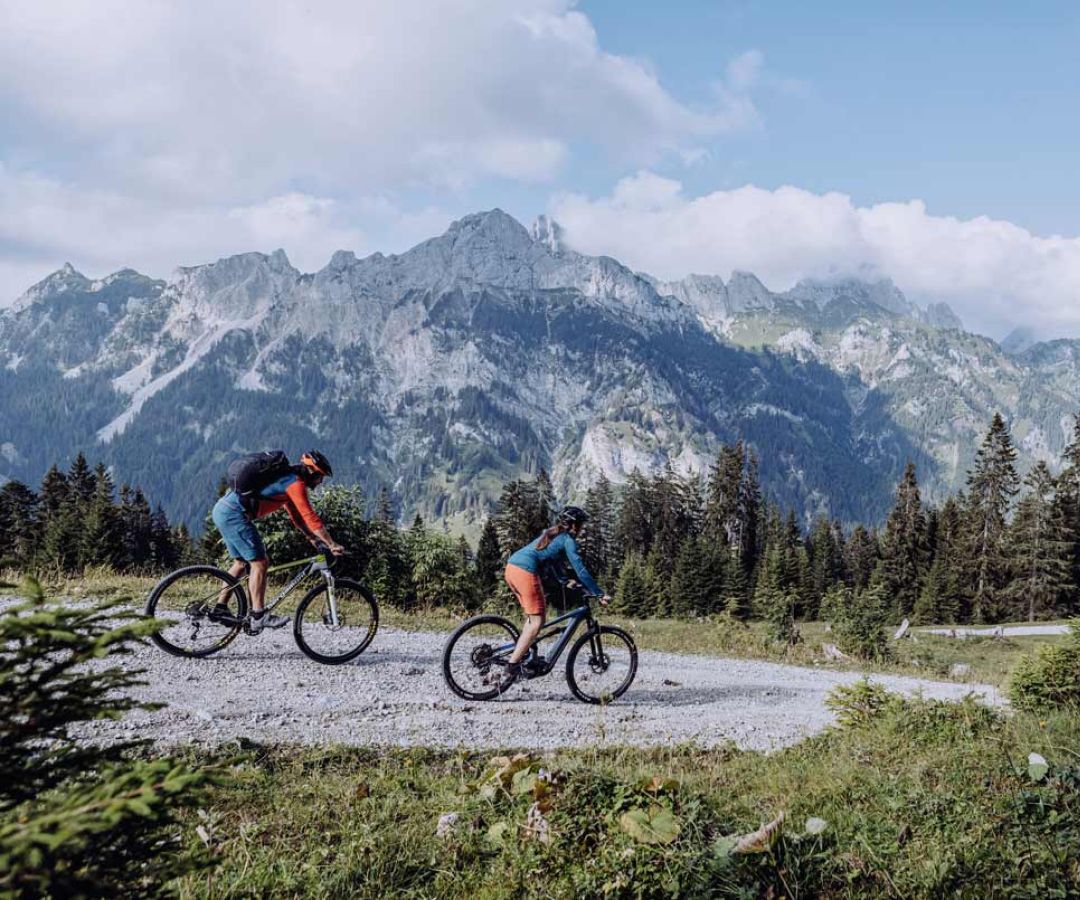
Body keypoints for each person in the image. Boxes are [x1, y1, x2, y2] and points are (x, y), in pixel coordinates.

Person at [211, 450, 345, 633]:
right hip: (235, 515)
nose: (320, 482)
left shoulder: (287, 480)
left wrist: (313, 539)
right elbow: (310, 516)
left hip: (223, 510)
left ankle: (220, 608)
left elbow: (297, 517)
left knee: (242, 563)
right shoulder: (294, 484)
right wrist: (331, 544)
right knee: (260, 563)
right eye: (320, 477)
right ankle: (258, 615)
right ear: (312, 472)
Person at [502, 506, 611, 684]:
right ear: (574, 526)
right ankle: (512, 667)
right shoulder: (568, 540)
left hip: (512, 568)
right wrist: (599, 593)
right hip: (525, 571)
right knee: (538, 621)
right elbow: (580, 569)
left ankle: (523, 654)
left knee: (532, 620)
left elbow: (551, 561)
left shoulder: (553, 534)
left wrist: (564, 581)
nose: (582, 529)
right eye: (581, 525)